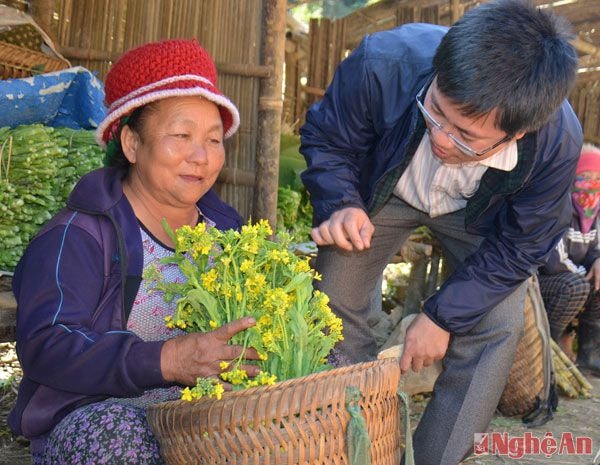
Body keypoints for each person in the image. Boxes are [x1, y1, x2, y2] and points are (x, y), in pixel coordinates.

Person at [299, 1, 582, 464]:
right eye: (435, 112)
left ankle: (440, 456)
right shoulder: (382, 64)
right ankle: (355, 447)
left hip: (478, 215)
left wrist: (442, 318)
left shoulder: (555, 144)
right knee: (333, 295)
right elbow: (328, 140)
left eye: (466, 135)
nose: (442, 139)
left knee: (496, 325)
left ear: (519, 133)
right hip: (385, 192)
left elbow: (523, 245)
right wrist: (341, 203)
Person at [9, 39, 260, 465]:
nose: (201, 157)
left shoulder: (229, 234)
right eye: (181, 135)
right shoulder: (79, 235)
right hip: (98, 414)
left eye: (214, 139)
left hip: (203, 412)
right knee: (124, 438)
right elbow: (45, 344)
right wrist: (165, 360)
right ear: (130, 144)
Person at [539, 143, 600, 376]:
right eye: (586, 176)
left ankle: (590, 354)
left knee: (596, 281)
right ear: (573, 176)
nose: (592, 184)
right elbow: (554, 260)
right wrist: (584, 276)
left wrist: (597, 261)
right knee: (577, 286)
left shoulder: (594, 212)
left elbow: (594, 248)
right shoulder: (560, 206)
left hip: (573, 279)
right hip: (543, 283)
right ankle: (551, 349)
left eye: (598, 177)